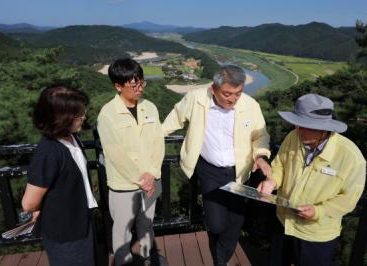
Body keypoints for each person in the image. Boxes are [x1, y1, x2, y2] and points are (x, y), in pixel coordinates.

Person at [163, 65, 271, 266]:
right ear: (214, 88)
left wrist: (261, 156)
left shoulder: (250, 105)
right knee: (216, 224)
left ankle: (222, 260)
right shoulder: (196, 99)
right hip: (210, 171)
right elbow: (174, 119)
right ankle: (219, 249)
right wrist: (153, 138)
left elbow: (260, 135)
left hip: (240, 172)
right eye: (227, 94)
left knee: (236, 221)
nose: (232, 99)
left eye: (238, 94)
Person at [258, 93, 366, 266]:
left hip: (316, 234)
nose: (298, 130)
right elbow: (279, 165)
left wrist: (318, 211)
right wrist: (273, 181)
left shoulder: (351, 156)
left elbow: (349, 198)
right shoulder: (293, 136)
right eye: (297, 124)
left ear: (325, 128)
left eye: (306, 126)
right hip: (283, 221)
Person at [97, 58, 164, 265]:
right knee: (123, 230)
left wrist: (152, 174)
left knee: (147, 225)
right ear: (118, 86)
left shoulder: (150, 107)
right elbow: (115, 154)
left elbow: (158, 142)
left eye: (141, 82)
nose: (139, 88)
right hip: (124, 185)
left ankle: (146, 259)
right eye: (134, 84)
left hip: (152, 180)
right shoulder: (108, 114)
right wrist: (141, 179)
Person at [22, 85, 98, 266]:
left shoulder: (70, 137)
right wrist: (39, 208)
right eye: (78, 114)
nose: (83, 117)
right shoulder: (49, 151)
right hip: (66, 232)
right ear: (60, 118)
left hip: (80, 221)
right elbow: (28, 202)